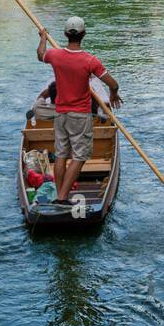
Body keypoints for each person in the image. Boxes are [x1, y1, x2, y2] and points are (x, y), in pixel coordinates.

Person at [37, 18, 122, 206]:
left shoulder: (55, 55)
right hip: (80, 116)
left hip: (61, 115)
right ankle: (61, 198)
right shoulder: (90, 61)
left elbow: (40, 54)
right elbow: (113, 83)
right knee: (80, 156)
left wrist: (43, 37)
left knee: (61, 155)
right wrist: (113, 94)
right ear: (83, 34)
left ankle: (60, 196)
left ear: (66, 34)